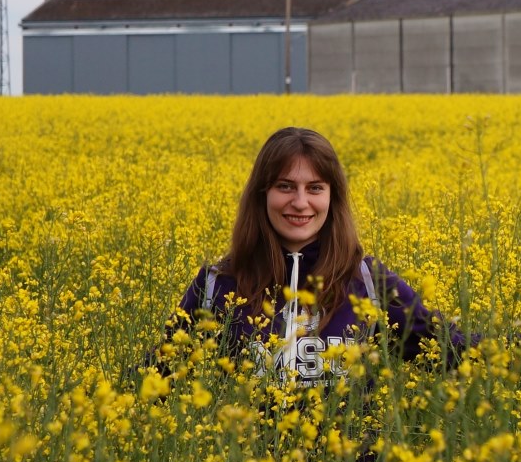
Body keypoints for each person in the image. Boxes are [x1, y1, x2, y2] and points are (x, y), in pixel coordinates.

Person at [159, 126, 473, 387]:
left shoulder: (367, 281)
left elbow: (447, 347)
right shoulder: (216, 285)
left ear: (331, 197)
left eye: (314, 188)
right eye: (285, 186)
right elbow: (157, 376)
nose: (300, 202)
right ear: (262, 194)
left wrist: (518, 352)